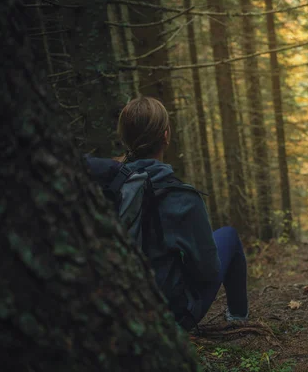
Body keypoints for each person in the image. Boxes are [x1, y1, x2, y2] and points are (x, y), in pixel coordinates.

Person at [86, 96, 248, 330]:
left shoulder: (104, 185)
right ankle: (238, 318)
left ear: (124, 138)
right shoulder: (183, 198)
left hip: (113, 310)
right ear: (166, 135)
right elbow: (208, 270)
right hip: (170, 317)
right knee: (229, 236)